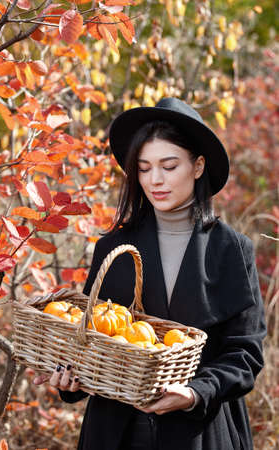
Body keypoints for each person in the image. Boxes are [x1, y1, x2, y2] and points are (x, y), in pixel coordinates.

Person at [34, 98, 266, 450]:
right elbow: (90, 339)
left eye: (169, 166)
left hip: (201, 432)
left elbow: (244, 353)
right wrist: (70, 379)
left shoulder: (231, 249)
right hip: (116, 432)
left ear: (198, 166)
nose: (155, 180)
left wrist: (194, 393)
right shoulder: (113, 247)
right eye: (143, 168)